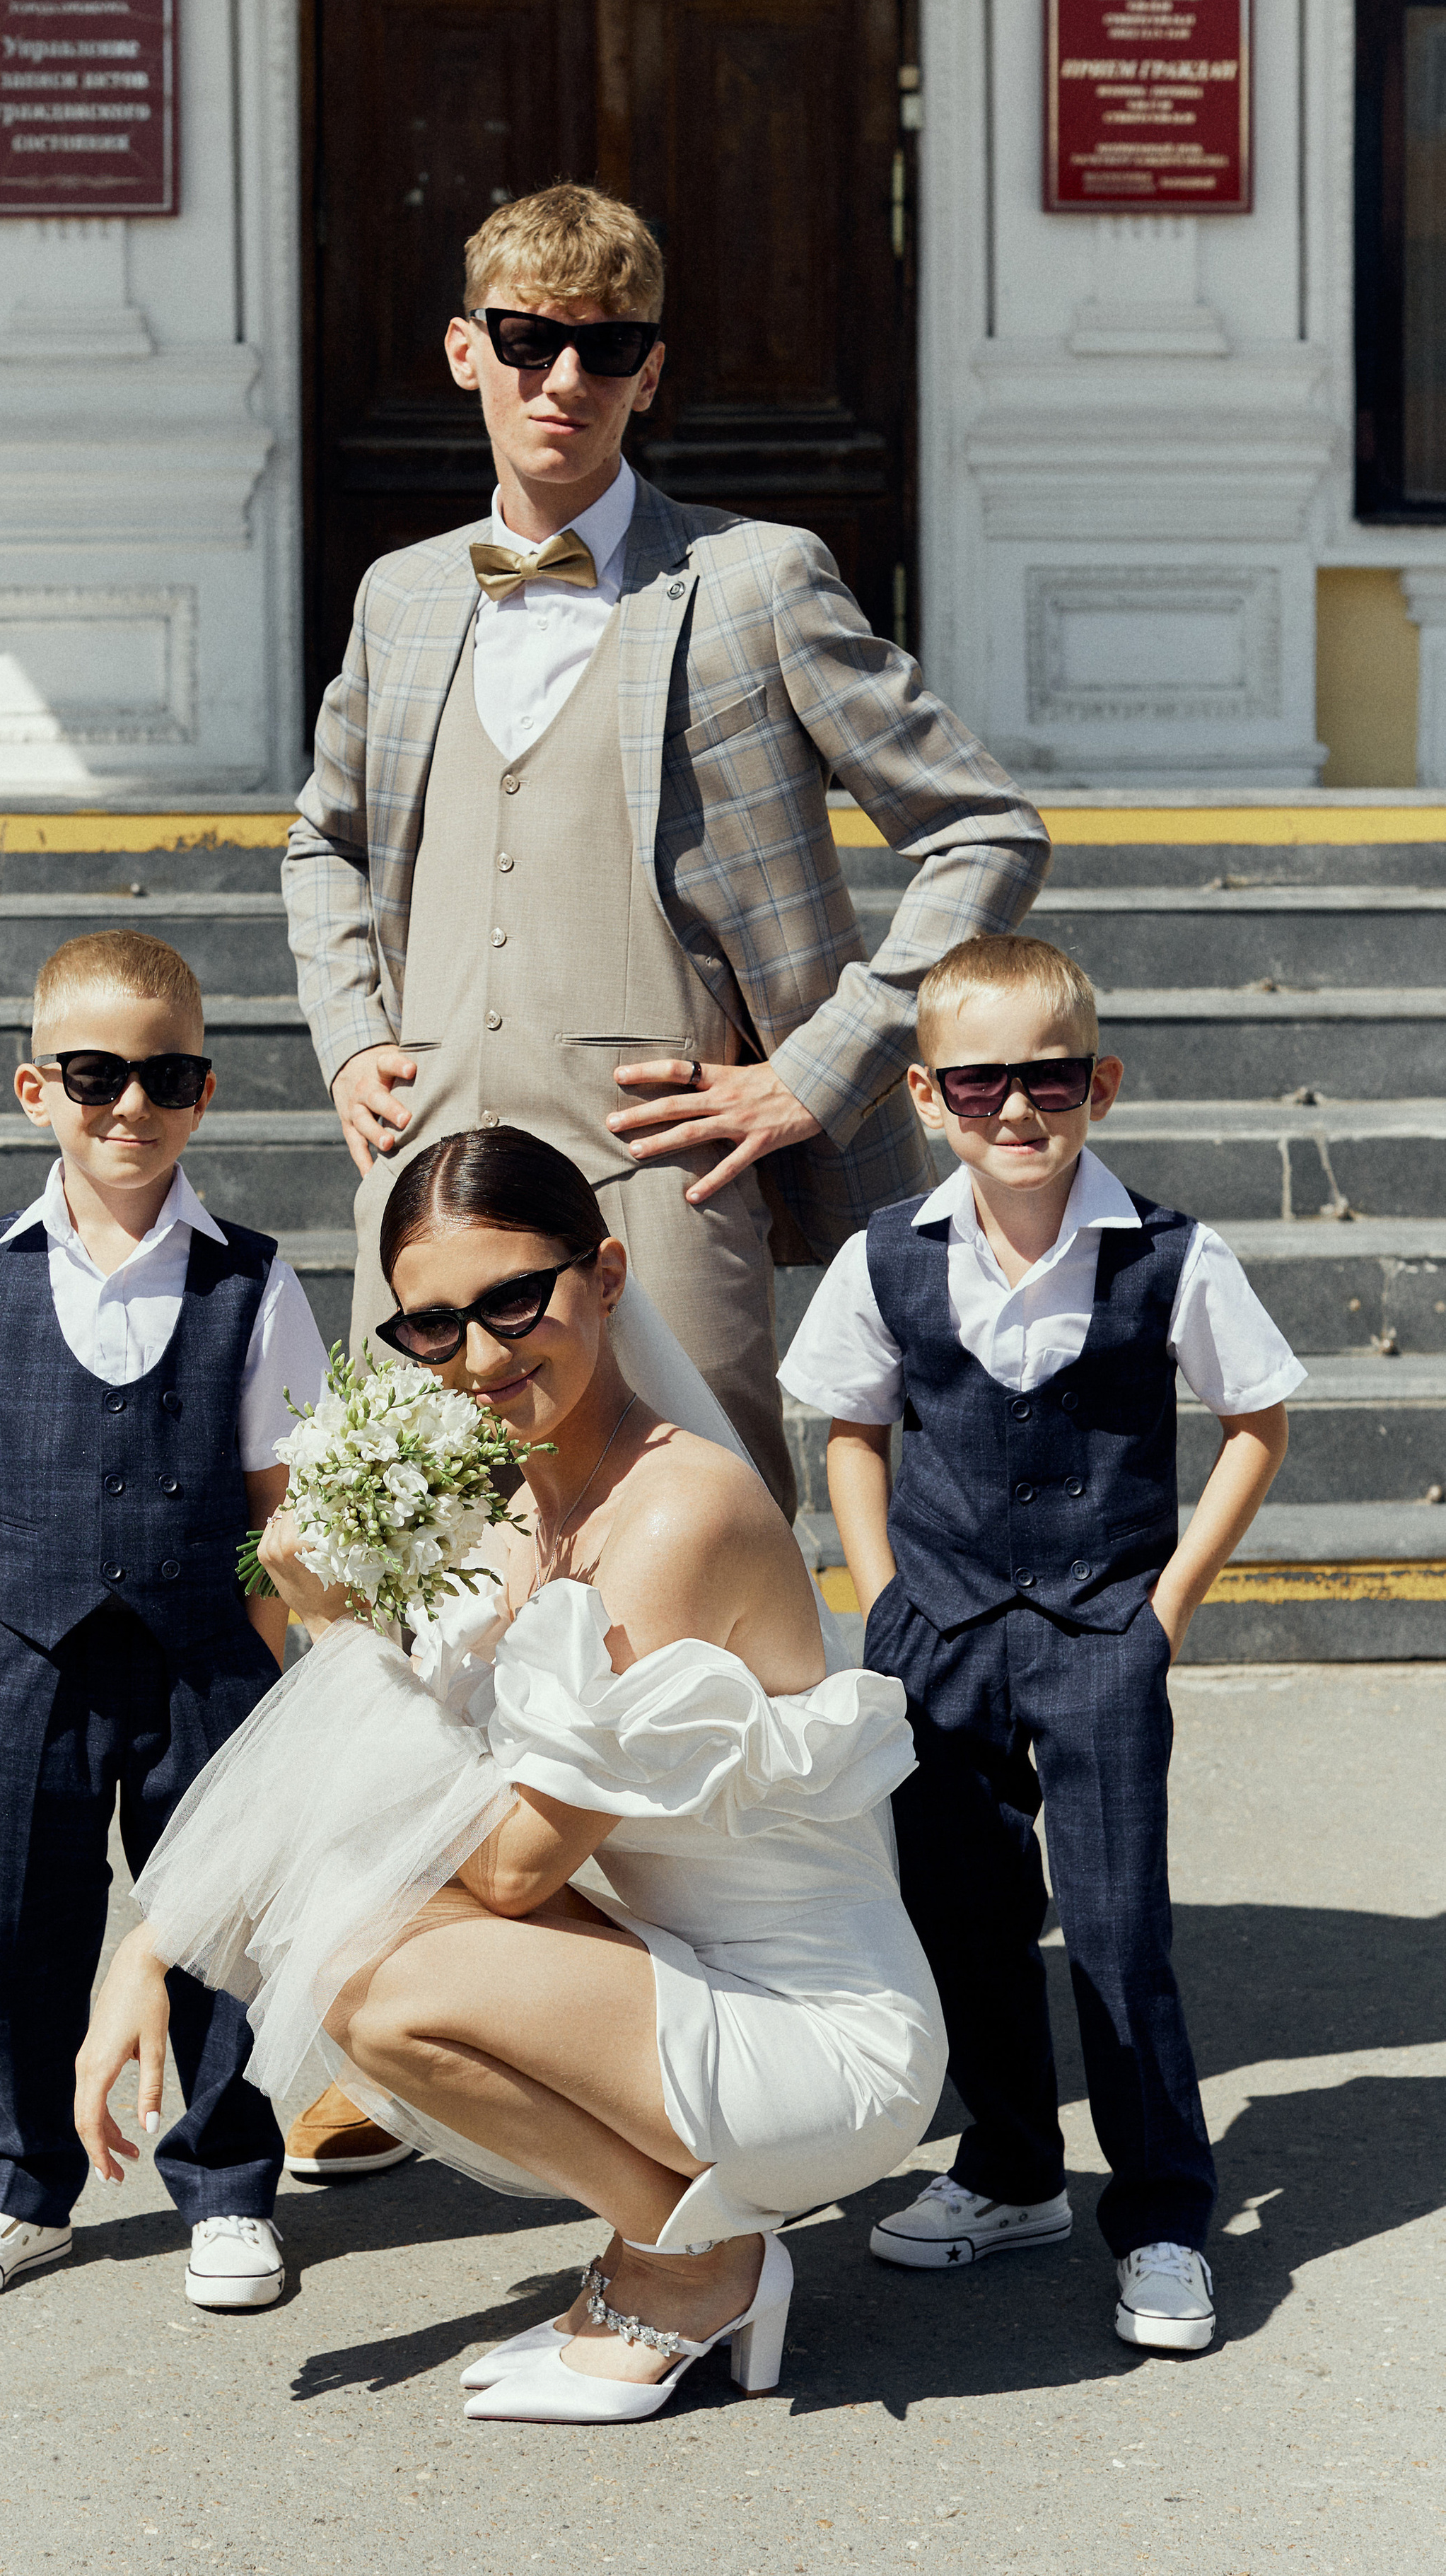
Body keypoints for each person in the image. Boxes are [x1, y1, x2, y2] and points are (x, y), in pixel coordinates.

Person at [75, 1126, 947, 2424]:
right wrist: (157, 1942)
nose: (480, 1358)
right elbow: (385, 1774)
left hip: (819, 2038)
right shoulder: (509, 1499)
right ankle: (673, 2248)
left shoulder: (676, 1515)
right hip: (673, 1972)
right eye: (433, 1328)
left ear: (603, 1274)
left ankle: (699, 2262)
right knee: (355, 1945)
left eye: (514, 1301)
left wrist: (357, 1617)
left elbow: (513, 1865)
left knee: (369, 1972)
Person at [284, 177, 1049, 1524]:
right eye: (528, 339)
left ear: (653, 372)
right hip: (431, 1175)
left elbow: (983, 828)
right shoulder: (401, 597)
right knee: (428, 1577)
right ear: (468, 351)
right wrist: (350, 1036)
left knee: (705, 1553)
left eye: (608, 346)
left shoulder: (759, 579)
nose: (563, 378)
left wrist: (812, 1075)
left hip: (664, 1183)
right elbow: (324, 841)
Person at [779, 932, 1304, 2355]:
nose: (1015, 1111)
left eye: (1050, 1080)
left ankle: (1159, 2220)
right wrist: (881, 1593)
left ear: (1101, 1083)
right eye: (977, 1085)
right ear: (921, 1095)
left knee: (1120, 1935)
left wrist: (1167, 1607)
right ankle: (1010, 2169)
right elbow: (848, 1426)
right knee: (965, 1917)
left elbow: (1255, 1419)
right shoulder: (887, 1253)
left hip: (1097, 1632)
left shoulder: (1167, 1253)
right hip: (934, 1636)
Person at [0, 930, 333, 2315]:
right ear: (35, 1091)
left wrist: (257, 1650)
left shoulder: (249, 1279)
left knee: (217, 1931)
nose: (128, 1105)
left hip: (207, 1663)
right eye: (93, 1075)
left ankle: (228, 2186)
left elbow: (282, 1489)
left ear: (205, 1092)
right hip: (32, 1664)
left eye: (166, 1075)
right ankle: (16, 2187)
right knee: (27, 1929)